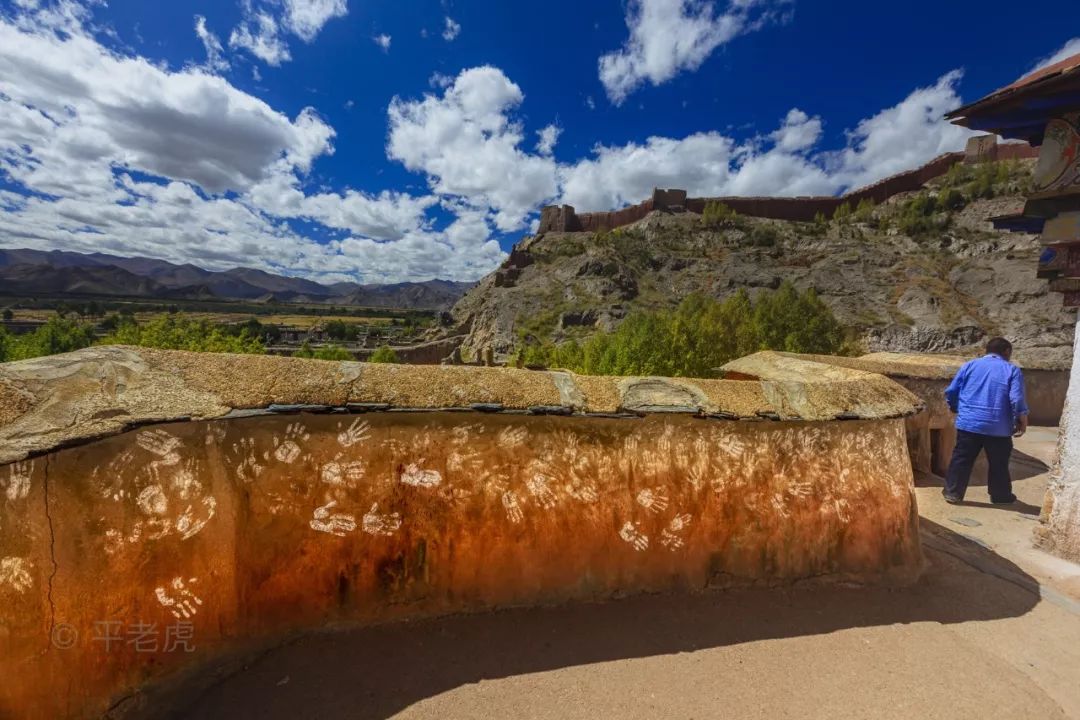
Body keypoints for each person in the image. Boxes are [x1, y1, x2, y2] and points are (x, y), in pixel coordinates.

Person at [942, 337, 1029, 505]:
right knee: (999, 462)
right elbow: (1016, 399)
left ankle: (953, 493)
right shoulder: (1012, 370)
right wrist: (1022, 419)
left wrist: (955, 407)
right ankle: (1000, 496)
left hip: (969, 423)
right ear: (1006, 352)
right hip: (999, 427)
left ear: (986, 350)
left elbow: (952, 390)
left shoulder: (969, 365)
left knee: (961, 458)